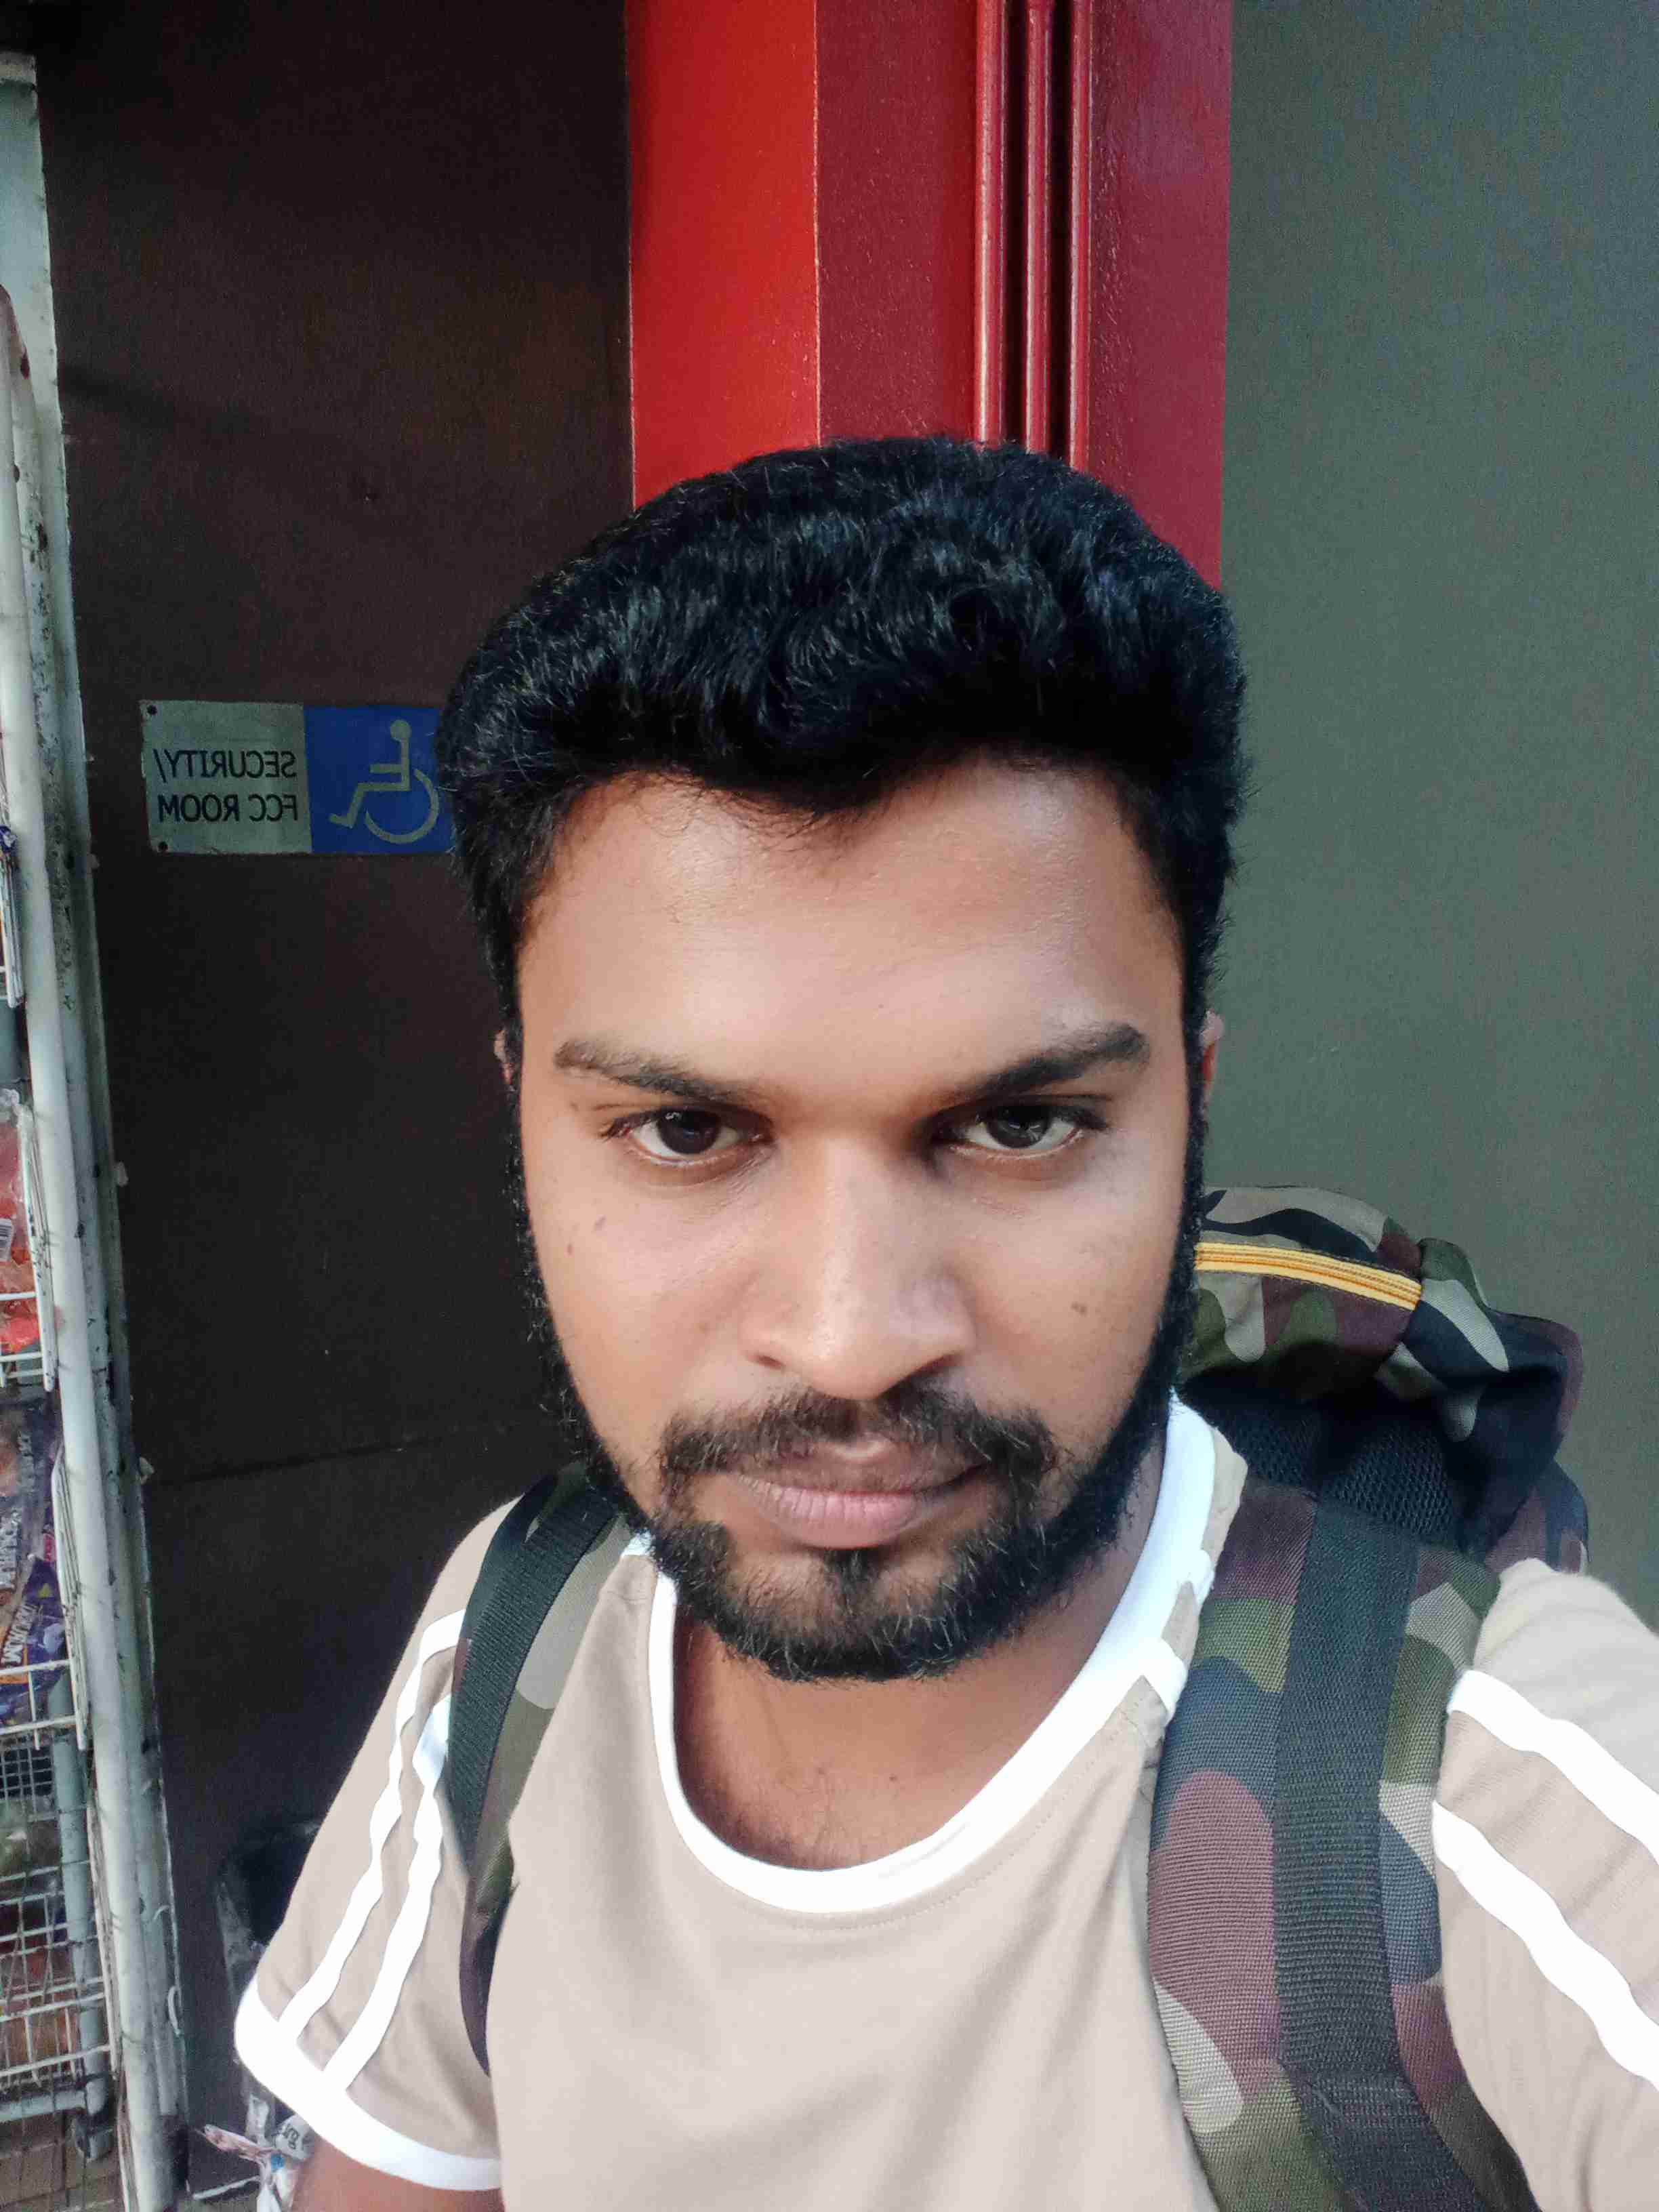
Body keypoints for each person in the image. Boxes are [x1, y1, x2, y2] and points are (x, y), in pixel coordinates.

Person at [234, 438, 1659, 2209]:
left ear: (1190, 1113)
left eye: (1019, 1124)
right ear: (521, 1114)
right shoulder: (511, 1647)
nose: (850, 1341)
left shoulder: (1510, 1799)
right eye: (684, 1132)